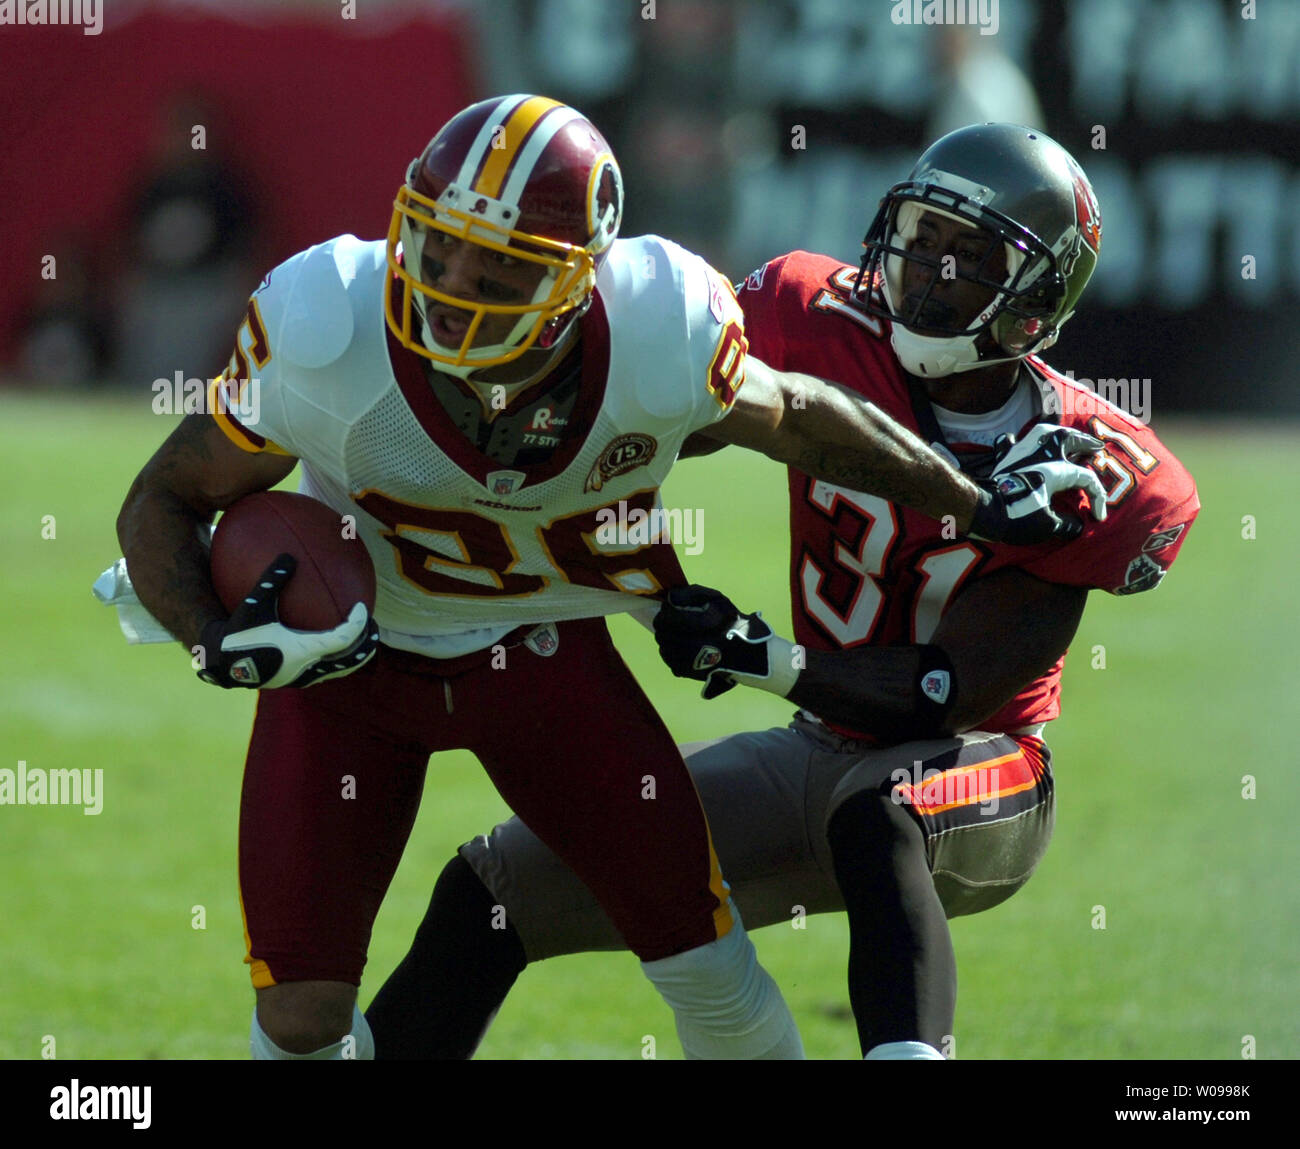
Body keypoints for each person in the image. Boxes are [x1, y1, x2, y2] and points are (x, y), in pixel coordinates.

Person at [113, 99, 1102, 1062]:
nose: (452, 279)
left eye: (498, 264)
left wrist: (970, 500)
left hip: (540, 656)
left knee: (698, 952)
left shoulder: (654, 326)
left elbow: (800, 417)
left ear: (575, 281)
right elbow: (161, 499)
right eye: (438, 242)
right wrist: (214, 638)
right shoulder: (325, 323)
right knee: (300, 1014)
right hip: (349, 679)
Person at [363, 123, 1199, 1060]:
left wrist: (761, 658)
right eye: (922, 236)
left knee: (881, 811)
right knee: (494, 890)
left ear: (1036, 296)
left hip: (985, 773)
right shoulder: (815, 314)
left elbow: (943, 693)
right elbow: (657, 412)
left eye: (971, 256)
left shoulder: (1091, 462)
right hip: (814, 753)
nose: (927, 270)